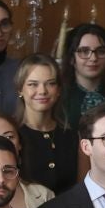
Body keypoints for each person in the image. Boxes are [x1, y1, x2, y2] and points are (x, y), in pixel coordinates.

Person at [15, 53, 78, 194]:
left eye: (50, 83)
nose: (42, 91)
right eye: (33, 84)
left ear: (59, 90)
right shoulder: (12, 135)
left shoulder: (71, 136)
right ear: (20, 89)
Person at [61, 24, 105, 125]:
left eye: (101, 51)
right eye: (84, 51)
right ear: (71, 58)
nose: (93, 58)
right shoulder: (59, 98)